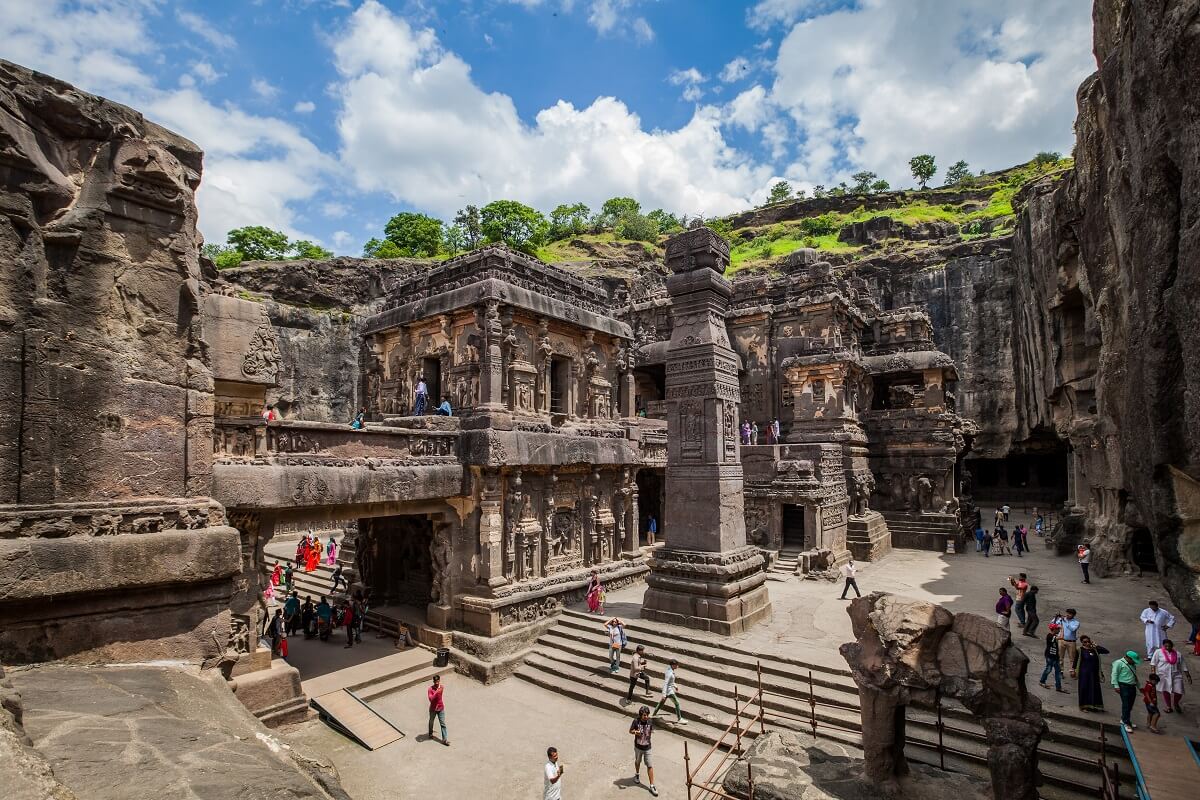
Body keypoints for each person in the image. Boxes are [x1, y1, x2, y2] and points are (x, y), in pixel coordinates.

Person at [1149, 639, 1191, 713]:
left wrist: (1188, 676)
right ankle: (1168, 706)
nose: (1167, 647)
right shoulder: (1158, 652)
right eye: (1166, 646)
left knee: (1179, 691)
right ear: (1163, 646)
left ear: (1172, 646)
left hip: (1176, 675)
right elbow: (1153, 663)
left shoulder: (1178, 654)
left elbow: (1183, 665)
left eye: (1169, 646)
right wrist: (1153, 674)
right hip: (1163, 675)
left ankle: (1176, 703)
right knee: (1166, 690)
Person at [629, 706, 658, 797]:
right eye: (645, 715)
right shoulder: (636, 721)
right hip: (638, 747)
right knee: (638, 762)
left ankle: (652, 785)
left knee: (650, 765)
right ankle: (637, 774)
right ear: (641, 715)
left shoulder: (650, 721)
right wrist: (636, 732)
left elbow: (651, 730)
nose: (646, 717)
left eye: (647, 715)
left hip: (647, 747)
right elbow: (630, 731)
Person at [1077, 635, 1110, 712]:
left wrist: (1096, 645)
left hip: (1094, 673)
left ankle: (1094, 705)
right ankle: (1084, 706)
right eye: (1085, 642)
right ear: (1082, 643)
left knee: (1094, 688)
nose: (1087, 643)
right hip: (1084, 673)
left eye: (1088, 641)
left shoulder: (1094, 650)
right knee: (1084, 688)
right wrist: (1073, 670)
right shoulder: (1080, 650)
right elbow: (1076, 661)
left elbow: (1106, 651)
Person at [1111, 650, 1142, 733]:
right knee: (1126, 704)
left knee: (1130, 704)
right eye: (1133, 660)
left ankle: (1124, 719)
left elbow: (1135, 676)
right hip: (1123, 686)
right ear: (1128, 658)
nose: (1133, 662)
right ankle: (1126, 723)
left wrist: (1139, 687)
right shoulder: (1118, 663)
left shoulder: (1132, 665)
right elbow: (1114, 674)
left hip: (1132, 686)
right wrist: (1116, 685)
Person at [652, 659, 685, 725]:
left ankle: (654, 714)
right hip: (669, 691)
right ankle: (679, 719)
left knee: (661, 703)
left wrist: (675, 685)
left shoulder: (669, 670)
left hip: (668, 690)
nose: (677, 666)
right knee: (677, 703)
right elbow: (666, 683)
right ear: (673, 665)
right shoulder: (669, 673)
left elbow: (671, 681)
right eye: (676, 665)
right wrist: (664, 694)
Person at [1039, 623, 1067, 692]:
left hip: (1055, 656)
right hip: (1050, 656)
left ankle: (1058, 687)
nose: (1058, 630)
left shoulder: (1054, 636)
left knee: (1058, 672)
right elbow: (1062, 637)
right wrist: (1062, 628)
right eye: (1057, 629)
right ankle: (1042, 681)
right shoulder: (1050, 636)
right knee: (1048, 669)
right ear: (1054, 629)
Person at [427, 674, 449, 746]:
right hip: (433, 709)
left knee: (443, 724)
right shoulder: (430, 689)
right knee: (431, 722)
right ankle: (430, 733)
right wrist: (436, 692)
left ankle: (444, 739)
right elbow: (431, 699)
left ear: (439, 680)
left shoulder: (441, 687)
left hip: (441, 708)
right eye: (435, 681)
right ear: (433, 681)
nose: (436, 683)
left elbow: (437, 696)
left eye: (438, 681)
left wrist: (437, 691)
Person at [1059, 608, 1081, 678]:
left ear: (1073, 615)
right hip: (1061, 640)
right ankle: (1060, 671)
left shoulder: (1076, 622)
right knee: (1060, 657)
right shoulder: (1062, 619)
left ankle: (1072, 671)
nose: (1067, 615)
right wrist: (1057, 618)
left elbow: (1072, 629)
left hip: (1071, 642)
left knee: (1072, 658)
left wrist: (1066, 622)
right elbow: (1053, 624)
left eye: (1070, 614)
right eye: (1067, 613)